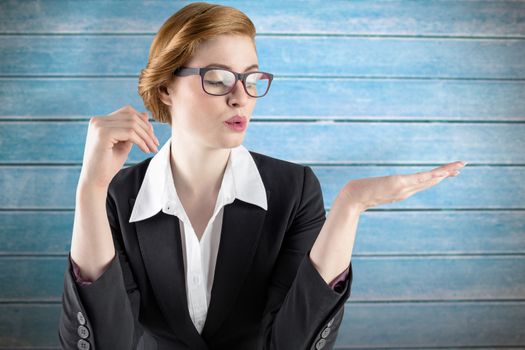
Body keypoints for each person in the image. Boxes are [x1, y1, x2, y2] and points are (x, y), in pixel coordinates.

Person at [58, 2, 466, 349]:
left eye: (251, 79)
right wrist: (90, 189)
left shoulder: (294, 191)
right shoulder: (117, 197)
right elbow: (105, 341)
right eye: (217, 79)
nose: (241, 97)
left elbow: (293, 343)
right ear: (166, 88)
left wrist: (350, 206)